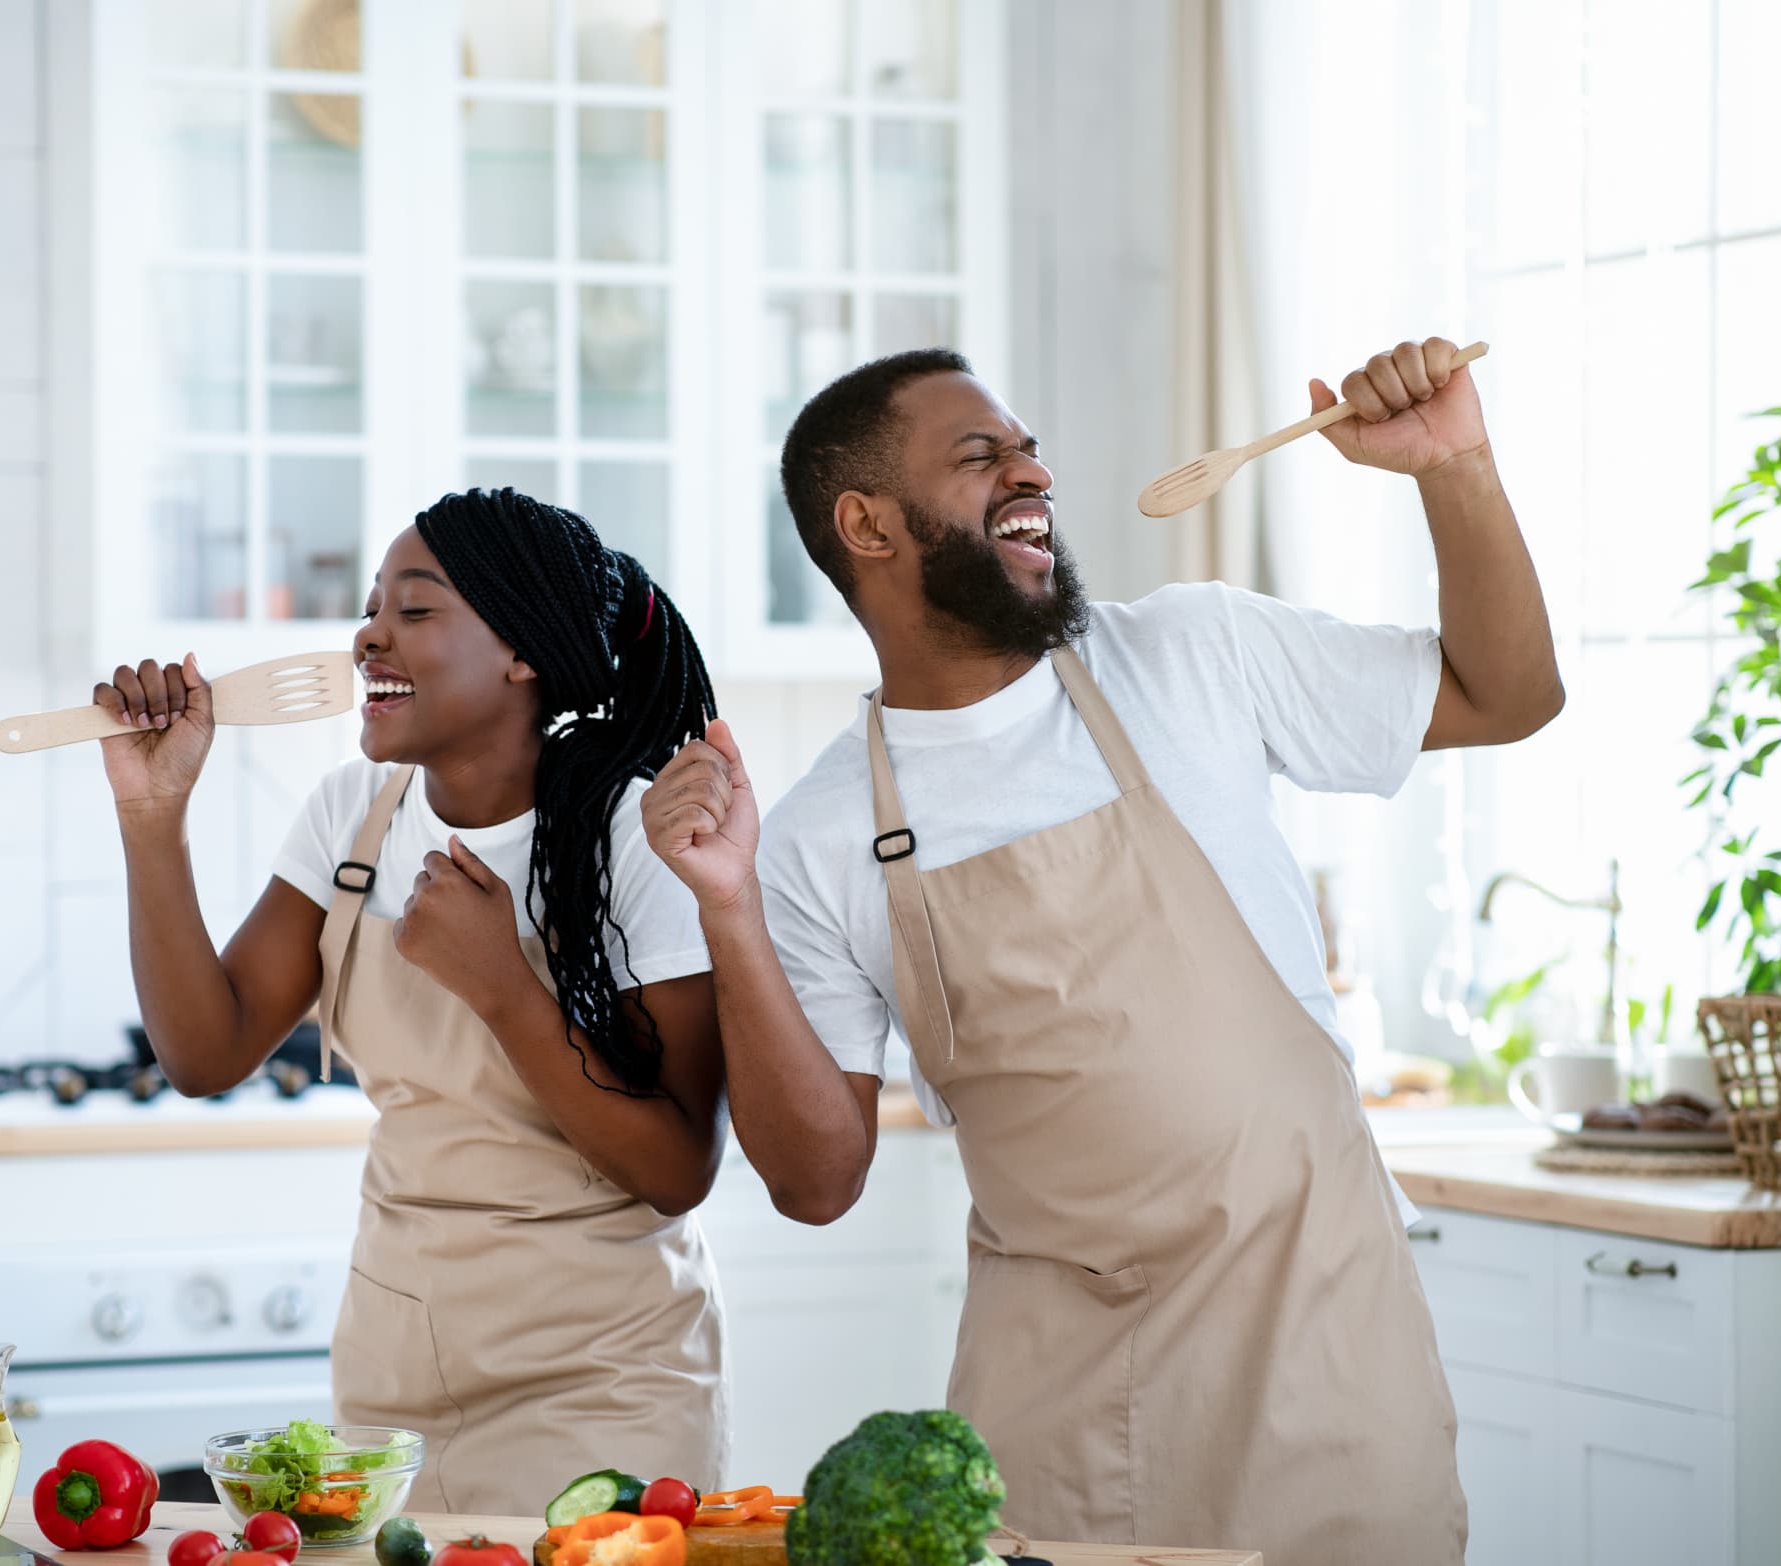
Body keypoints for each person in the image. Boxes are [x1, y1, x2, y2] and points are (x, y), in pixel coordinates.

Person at [642, 339, 1562, 1562]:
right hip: (1063, 1410)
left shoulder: (1191, 654)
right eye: (982, 456)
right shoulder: (817, 834)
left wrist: (1454, 469)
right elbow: (814, 1183)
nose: (1033, 472)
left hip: (1326, 1354)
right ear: (864, 523)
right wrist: (723, 908)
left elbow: (1508, 696)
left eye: (1026, 446)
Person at [94, 489, 729, 1514]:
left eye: (414, 609)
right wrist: (151, 816)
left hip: (603, 1384)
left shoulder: (638, 837)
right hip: (393, 1380)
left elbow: (676, 1166)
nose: (365, 635)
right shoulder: (355, 815)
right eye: (371, 605)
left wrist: (504, 988)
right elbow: (203, 1056)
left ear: (522, 651)